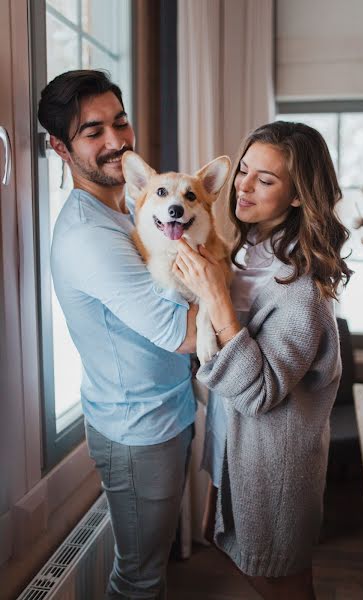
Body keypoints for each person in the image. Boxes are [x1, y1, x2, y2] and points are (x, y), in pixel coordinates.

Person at [173, 121, 352, 600]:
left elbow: (261, 391)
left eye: (264, 180)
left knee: (279, 579)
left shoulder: (301, 288)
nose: (242, 186)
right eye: (244, 171)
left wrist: (218, 300)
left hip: (274, 462)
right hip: (233, 445)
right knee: (237, 551)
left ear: (297, 196)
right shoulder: (246, 249)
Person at [38, 69, 198, 600]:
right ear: (60, 147)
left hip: (164, 412)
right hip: (139, 432)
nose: (116, 142)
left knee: (150, 567)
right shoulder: (89, 236)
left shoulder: (132, 206)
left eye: (121, 123)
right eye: (93, 131)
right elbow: (183, 335)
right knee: (139, 579)